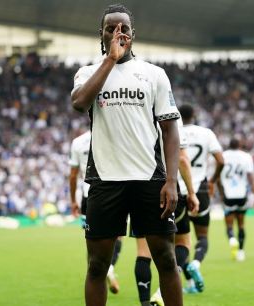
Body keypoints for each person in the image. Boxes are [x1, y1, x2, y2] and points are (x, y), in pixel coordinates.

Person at [71, 4, 182, 306]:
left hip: (149, 180)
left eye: (124, 29)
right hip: (105, 181)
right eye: (111, 29)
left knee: (167, 260)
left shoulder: (154, 75)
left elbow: (171, 130)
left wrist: (172, 180)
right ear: (102, 34)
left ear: (134, 35)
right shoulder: (88, 73)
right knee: (96, 266)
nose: (118, 34)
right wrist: (111, 59)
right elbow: (80, 104)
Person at [131, 118, 199, 306]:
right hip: (167, 191)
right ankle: (162, 292)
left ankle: (145, 302)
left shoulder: (137, 116)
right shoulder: (171, 118)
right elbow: (183, 159)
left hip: (138, 189)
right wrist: (192, 192)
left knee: (143, 252)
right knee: (182, 243)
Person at [69, 130, 122, 294]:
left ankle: (93, 277)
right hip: (114, 192)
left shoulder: (78, 142)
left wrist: (73, 201)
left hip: (89, 194)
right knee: (117, 235)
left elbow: (73, 175)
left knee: (92, 240)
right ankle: (110, 267)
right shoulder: (114, 134)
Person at [178, 104, 224, 293]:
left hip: (178, 189)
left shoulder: (173, 130)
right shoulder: (206, 133)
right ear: (195, 116)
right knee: (202, 235)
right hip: (200, 189)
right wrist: (212, 181)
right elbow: (221, 161)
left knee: (181, 240)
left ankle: (188, 283)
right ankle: (196, 264)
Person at [219, 138, 254, 261]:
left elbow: (218, 177)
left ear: (229, 145)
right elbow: (251, 178)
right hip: (242, 194)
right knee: (241, 224)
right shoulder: (246, 157)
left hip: (228, 194)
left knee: (229, 225)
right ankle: (241, 252)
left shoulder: (223, 156)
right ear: (240, 145)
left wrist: (220, 193)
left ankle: (232, 240)